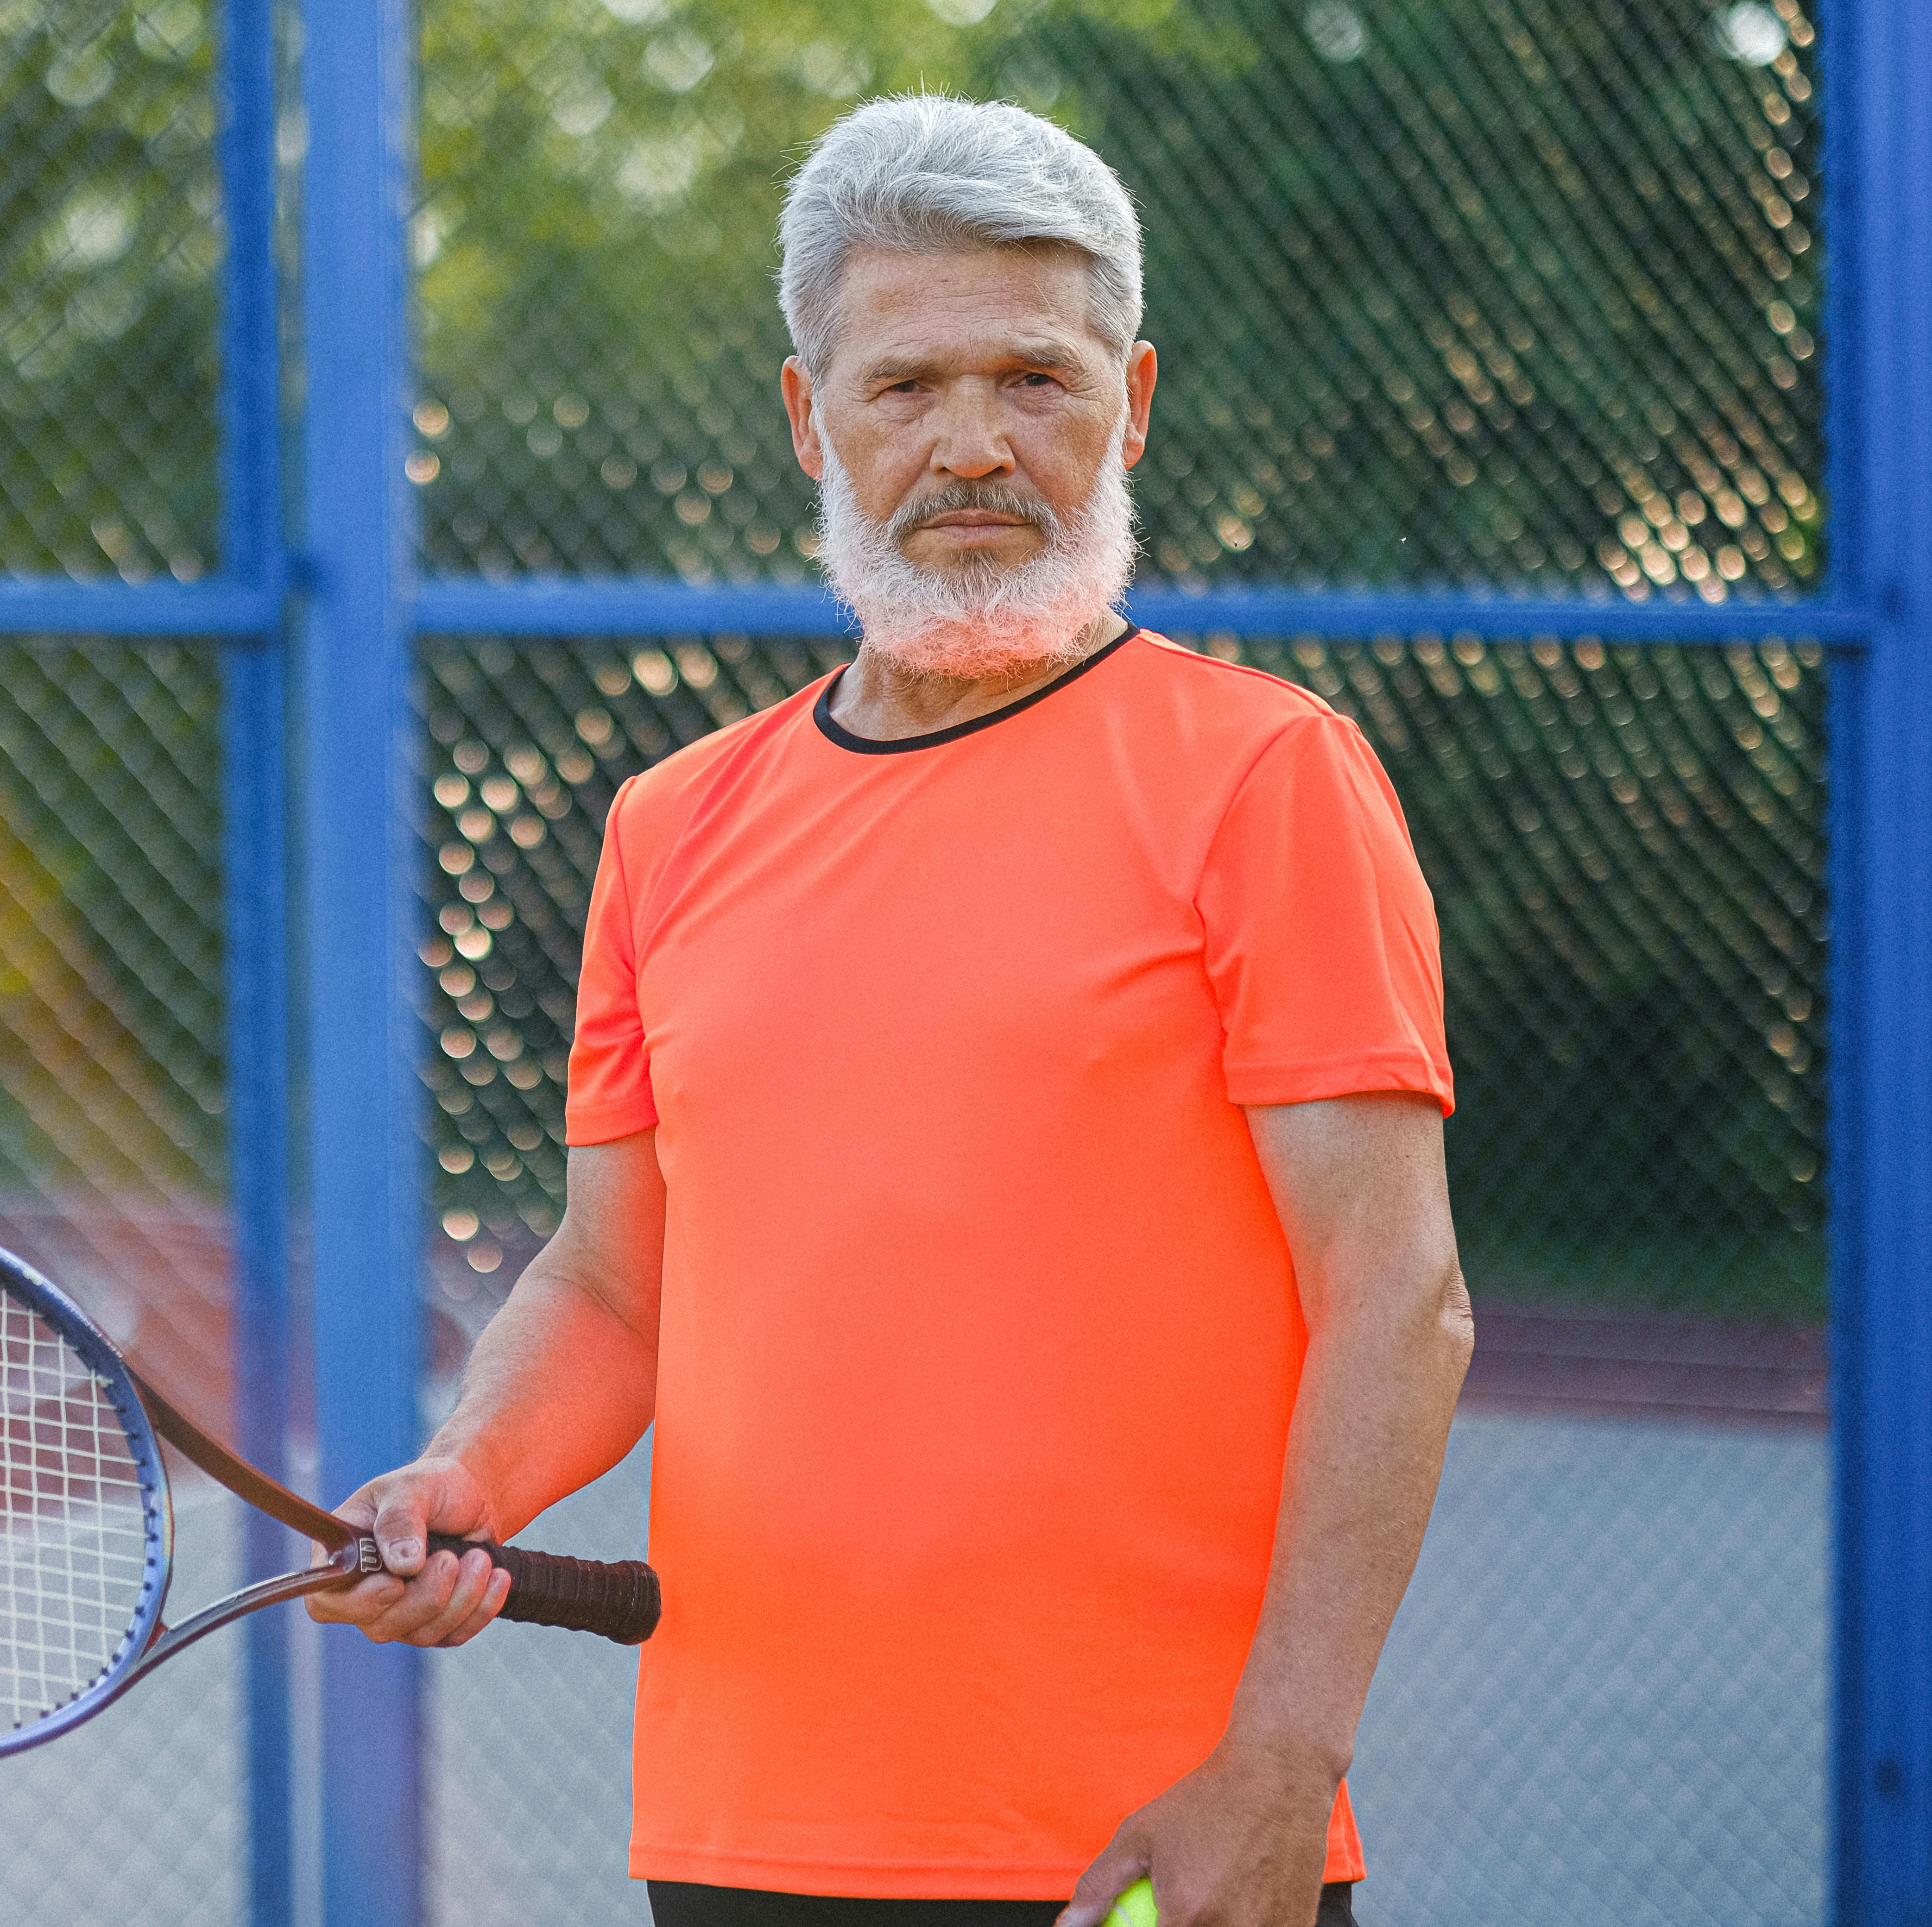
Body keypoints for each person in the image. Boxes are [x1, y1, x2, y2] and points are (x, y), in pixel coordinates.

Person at [310, 94, 1472, 1927]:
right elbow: (617, 1282)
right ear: (810, 418)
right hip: (740, 1832)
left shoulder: (1267, 779)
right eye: (909, 385)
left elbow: (1399, 1300)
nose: (975, 446)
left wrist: (1282, 1758)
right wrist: (475, 1467)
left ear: (1134, 401)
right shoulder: (670, 823)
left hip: (1152, 1840)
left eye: (1037, 378)